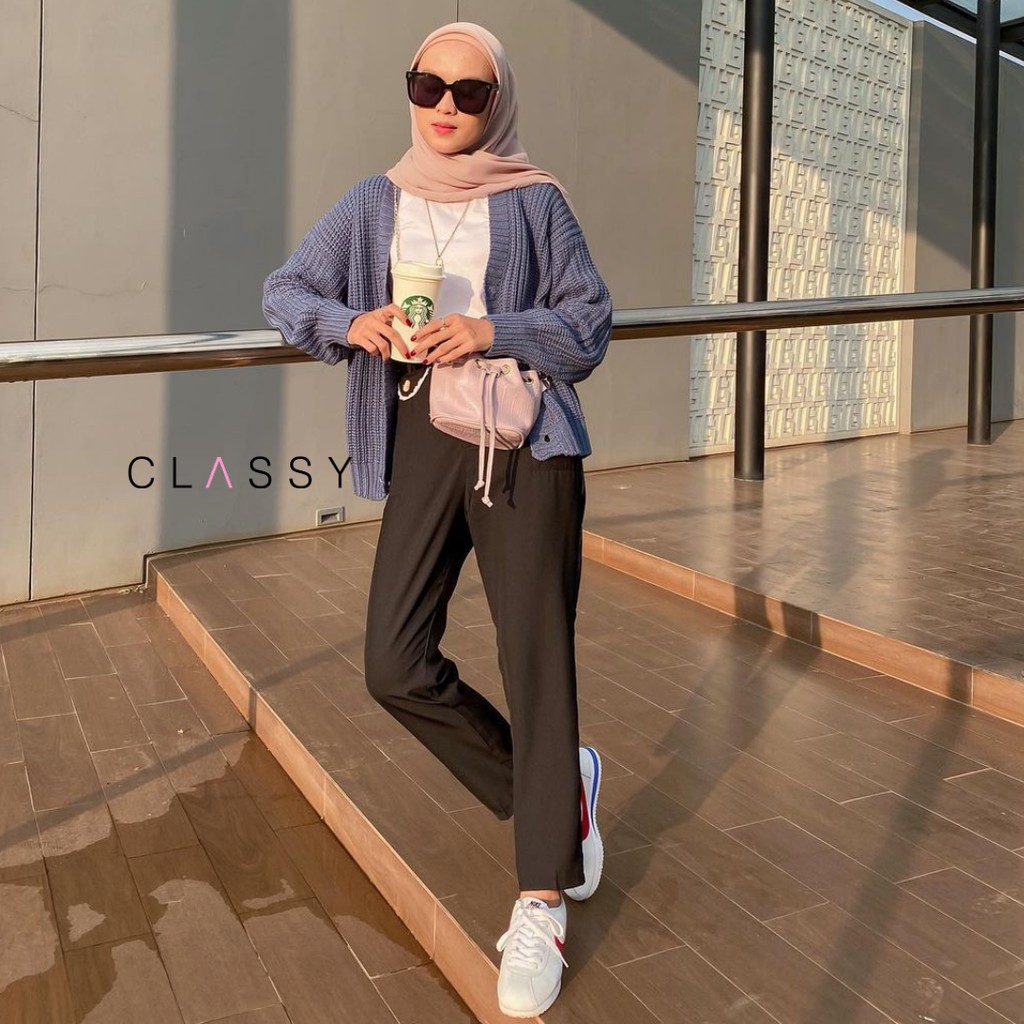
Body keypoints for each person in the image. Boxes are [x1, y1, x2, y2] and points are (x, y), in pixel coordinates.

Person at [262, 21, 611, 1018]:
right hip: (422, 435)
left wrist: (493, 328)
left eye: (469, 91)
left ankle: (541, 898)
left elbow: (589, 323)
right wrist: (352, 323)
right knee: (393, 661)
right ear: (410, 90)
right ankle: (554, 791)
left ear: (498, 101)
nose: (446, 107)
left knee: (534, 659)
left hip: (522, 442)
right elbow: (286, 290)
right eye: (428, 86)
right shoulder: (375, 200)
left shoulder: (535, 199)